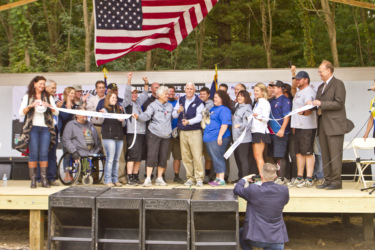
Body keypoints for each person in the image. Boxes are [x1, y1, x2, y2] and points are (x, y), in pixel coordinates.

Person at [307, 60, 354, 190]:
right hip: (322, 125)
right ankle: (327, 180)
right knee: (325, 154)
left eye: (321, 71)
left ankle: (336, 182)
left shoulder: (338, 84)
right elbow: (318, 105)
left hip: (335, 125)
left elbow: (339, 103)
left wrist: (321, 103)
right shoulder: (321, 87)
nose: (319, 74)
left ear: (329, 70)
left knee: (335, 154)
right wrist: (311, 105)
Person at [233, 163, 289, 250]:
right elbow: (284, 201)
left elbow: (237, 189)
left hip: (256, 237)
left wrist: (244, 179)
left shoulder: (253, 190)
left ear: (261, 176)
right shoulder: (284, 190)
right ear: (275, 177)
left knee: (241, 232)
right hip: (277, 238)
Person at [18, 76, 59, 188]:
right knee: (33, 154)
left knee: (44, 154)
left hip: (46, 128)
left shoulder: (48, 96)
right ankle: (33, 180)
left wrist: (49, 106)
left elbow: (56, 113)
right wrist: (31, 105)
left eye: (43, 84)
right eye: (40, 83)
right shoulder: (28, 96)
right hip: (33, 128)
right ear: (35, 84)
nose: (42, 86)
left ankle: (44, 180)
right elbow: (21, 113)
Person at [133, 86, 173, 187]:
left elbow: (172, 117)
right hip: (154, 133)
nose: (167, 95)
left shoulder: (170, 106)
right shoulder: (152, 105)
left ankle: (159, 178)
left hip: (166, 135)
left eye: (167, 94)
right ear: (159, 95)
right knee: (152, 156)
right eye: (165, 94)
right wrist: (138, 117)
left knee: (163, 157)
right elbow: (146, 115)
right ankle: (148, 178)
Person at [172, 82, 205, 187]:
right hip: (183, 132)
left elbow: (200, 117)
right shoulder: (180, 100)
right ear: (185, 90)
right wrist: (178, 110)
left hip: (195, 132)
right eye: (188, 89)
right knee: (186, 156)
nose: (189, 90)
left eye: (191, 89)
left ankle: (199, 178)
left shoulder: (199, 102)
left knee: (197, 156)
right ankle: (190, 178)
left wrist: (189, 122)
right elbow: (173, 115)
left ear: (194, 91)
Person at [289, 71, 317, 188]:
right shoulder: (298, 92)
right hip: (298, 126)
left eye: (299, 79)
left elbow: (310, 108)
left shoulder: (309, 91)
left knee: (307, 152)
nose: (297, 81)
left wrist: (304, 112)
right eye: (296, 79)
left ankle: (309, 178)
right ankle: (300, 177)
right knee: (299, 152)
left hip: (307, 126)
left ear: (306, 80)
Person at [97, 83, 127, 185]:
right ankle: (108, 180)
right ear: (108, 98)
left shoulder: (119, 110)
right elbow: (100, 121)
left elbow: (123, 124)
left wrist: (122, 120)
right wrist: (101, 115)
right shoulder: (105, 109)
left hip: (119, 136)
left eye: (115, 98)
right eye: (113, 97)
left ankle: (115, 179)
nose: (115, 99)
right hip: (108, 137)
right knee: (110, 159)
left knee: (116, 160)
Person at [123, 72, 149, 185]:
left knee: (138, 157)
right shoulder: (127, 103)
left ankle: (135, 176)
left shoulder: (138, 102)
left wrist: (146, 83)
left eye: (135, 93)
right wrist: (129, 80)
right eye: (132, 93)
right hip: (132, 133)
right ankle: (129, 177)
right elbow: (127, 93)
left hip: (141, 133)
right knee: (132, 156)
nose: (133, 95)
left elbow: (145, 94)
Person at [203, 90, 232, 186]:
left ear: (222, 99)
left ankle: (222, 179)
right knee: (214, 158)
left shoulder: (224, 109)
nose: (214, 99)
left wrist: (220, 136)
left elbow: (225, 124)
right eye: (214, 97)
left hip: (218, 137)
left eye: (216, 97)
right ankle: (218, 177)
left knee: (218, 157)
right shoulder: (213, 108)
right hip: (210, 138)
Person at [268, 81, 292, 184]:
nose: (272, 89)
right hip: (271, 132)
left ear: (280, 88)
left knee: (280, 155)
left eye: (274, 87)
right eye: (272, 87)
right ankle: (277, 176)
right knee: (274, 155)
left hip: (280, 132)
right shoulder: (271, 101)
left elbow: (287, 116)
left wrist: (282, 129)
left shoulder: (285, 100)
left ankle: (282, 178)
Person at [39, 79, 59, 186]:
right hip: (43, 128)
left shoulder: (53, 98)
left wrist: (51, 105)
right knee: (42, 154)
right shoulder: (39, 98)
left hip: (53, 128)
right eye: (52, 88)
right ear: (46, 87)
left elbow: (56, 112)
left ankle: (51, 177)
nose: (54, 90)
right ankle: (39, 178)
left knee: (52, 154)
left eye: (55, 88)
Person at [232, 90, 253, 182]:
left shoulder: (247, 108)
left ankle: (245, 180)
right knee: (238, 159)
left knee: (243, 159)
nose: (239, 98)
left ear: (246, 98)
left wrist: (240, 125)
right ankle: (240, 178)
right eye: (238, 96)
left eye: (242, 96)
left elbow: (248, 123)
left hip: (243, 139)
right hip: (236, 139)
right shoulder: (238, 107)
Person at [59, 86, 78, 182]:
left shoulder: (76, 106)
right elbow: (67, 116)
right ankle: (66, 174)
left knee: (73, 154)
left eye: (74, 93)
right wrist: (67, 101)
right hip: (65, 134)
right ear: (66, 95)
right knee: (66, 154)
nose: (73, 95)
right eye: (71, 93)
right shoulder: (62, 106)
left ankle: (75, 173)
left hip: (75, 135)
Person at [251, 83, 271, 174]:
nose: (255, 92)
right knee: (256, 156)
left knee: (259, 156)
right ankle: (262, 176)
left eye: (257, 91)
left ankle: (263, 178)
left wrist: (257, 116)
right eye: (254, 90)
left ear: (263, 91)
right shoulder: (257, 103)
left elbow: (265, 118)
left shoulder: (265, 103)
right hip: (255, 131)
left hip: (261, 132)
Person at [166, 86, 184, 184]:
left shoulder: (178, 103)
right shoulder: (164, 103)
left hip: (177, 135)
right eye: (169, 92)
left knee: (177, 157)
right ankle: (162, 176)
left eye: (173, 92)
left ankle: (176, 176)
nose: (171, 93)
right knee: (164, 157)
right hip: (167, 135)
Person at [199, 87, 214, 183]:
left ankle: (207, 175)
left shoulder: (212, 105)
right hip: (197, 133)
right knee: (197, 156)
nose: (202, 96)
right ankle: (198, 175)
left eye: (204, 94)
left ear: (208, 95)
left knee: (208, 157)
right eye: (200, 94)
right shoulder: (197, 103)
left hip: (208, 133)